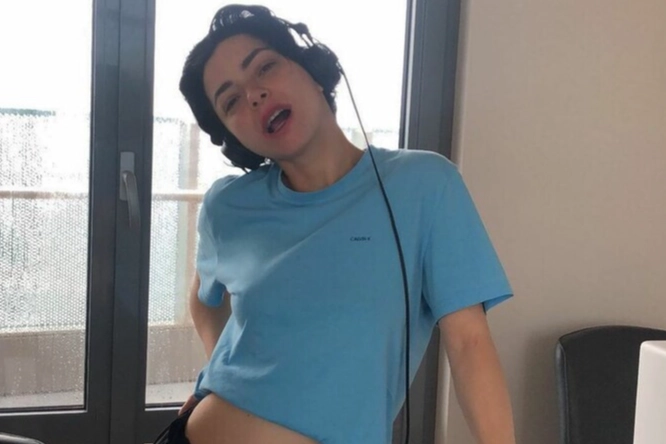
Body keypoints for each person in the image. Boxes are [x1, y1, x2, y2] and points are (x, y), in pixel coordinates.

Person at [162, 4, 516, 444]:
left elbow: (469, 344)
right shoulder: (227, 205)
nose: (253, 95)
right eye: (231, 101)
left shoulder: (424, 185)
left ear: (313, 69)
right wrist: (216, 372)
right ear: (233, 136)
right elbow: (204, 298)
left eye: (265, 67)